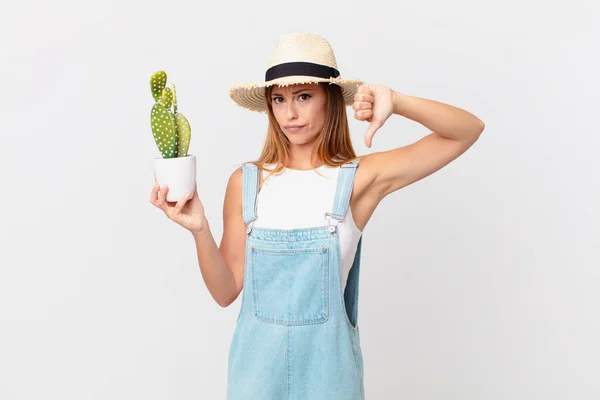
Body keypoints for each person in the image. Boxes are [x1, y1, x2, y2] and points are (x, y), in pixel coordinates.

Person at [150, 32, 484, 399]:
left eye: (304, 97)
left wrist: (398, 101)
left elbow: (466, 131)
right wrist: (200, 230)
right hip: (255, 381)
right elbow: (226, 291)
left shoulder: (357, 180)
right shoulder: (246, 182)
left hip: (330, 383)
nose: (289, 114)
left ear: (331, 101)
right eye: (279, 100)